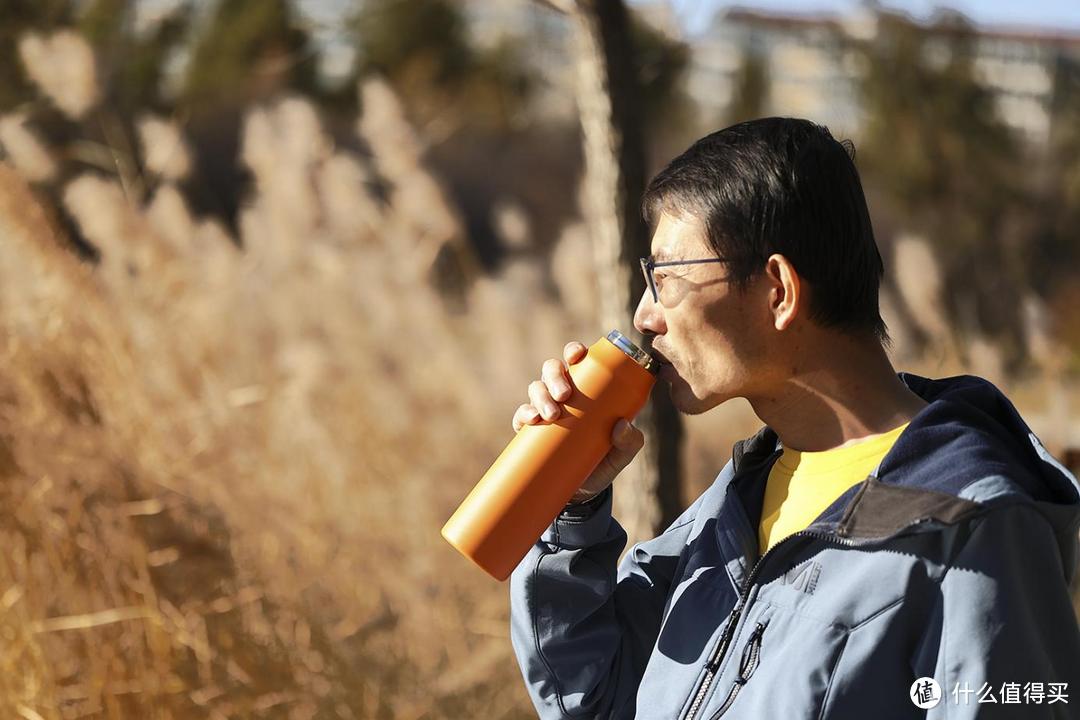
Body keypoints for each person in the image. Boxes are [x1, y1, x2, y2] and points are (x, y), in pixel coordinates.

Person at [508, 118, 1080, 719]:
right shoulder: (737, 503)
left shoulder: (972, 531)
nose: (645, 314)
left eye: (666, 277)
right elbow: (599, 703)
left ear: (779, 289)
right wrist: (573, 508)